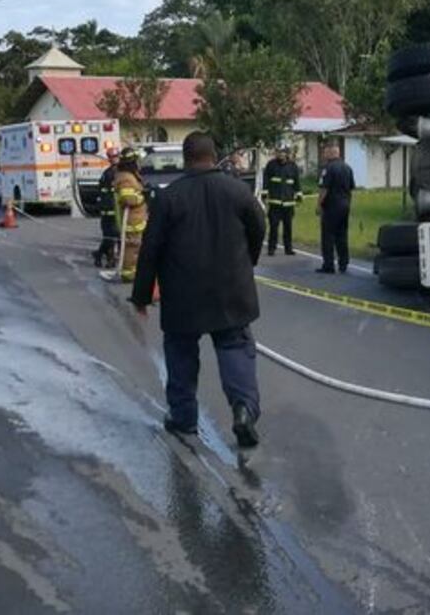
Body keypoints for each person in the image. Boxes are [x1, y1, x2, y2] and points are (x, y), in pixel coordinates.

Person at [131, 131, 266, 447]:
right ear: (214, 155)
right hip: (231, 291)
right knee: (234, 348)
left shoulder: (168, 198)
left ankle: (183, 418)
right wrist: (249, 261)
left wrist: (140, 295)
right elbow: (259, 227)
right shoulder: (238, 191)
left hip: (182, 295)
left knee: (180, 354)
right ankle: (243, 408)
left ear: (185, 158)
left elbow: (150, 249)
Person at [316, 143, 355, 274]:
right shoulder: (347, 168)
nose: (324, 154)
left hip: (331, 206)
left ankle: (329, 265)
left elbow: (324, 189)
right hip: (345, 205)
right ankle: (343, 263)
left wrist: (319, 204)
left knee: (328, 236)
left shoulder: (328, 168)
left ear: (331, 153)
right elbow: (350, 188)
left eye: (326, 152)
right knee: (342, 235)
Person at [112, 147, 148, 282]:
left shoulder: (130, 175)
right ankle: (128, 274)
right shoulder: (126, 178)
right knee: (132, 247)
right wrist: (143, 197)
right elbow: (127, 198)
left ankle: (134, 271)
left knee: (136, 247)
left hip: (136, 219)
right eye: (137, 161)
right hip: (131, 221)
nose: (139, 163)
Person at [261, 145, 302, 256]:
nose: (280, 154)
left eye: (283, 152)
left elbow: (297, 182)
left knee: (288, 227)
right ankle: (271, 248)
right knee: (274, 227)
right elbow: (266, 181)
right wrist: (264, 194)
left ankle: (288, 249)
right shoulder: (271, 165)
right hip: (275, 202)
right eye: (279, 152)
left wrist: (299, 195)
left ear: (287, 153)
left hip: (288, 202)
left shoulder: (293, 166)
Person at [93, 146, 121, 269]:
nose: (114, 159)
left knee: (117, 236)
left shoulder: (116, 172)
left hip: (115, 209)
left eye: (116, 156)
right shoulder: (109, 173)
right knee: (110, 236)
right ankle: (106, 258)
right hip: (109, 209)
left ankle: (109, 258)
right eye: (112, 157)